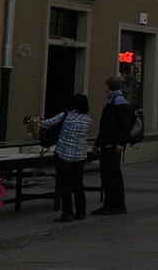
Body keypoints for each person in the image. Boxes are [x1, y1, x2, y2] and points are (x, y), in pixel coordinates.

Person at [40, 93, 91, 222]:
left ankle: (67, 213)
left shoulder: (66, 115)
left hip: (64, 154)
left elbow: (46, 124)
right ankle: (81, 212)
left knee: (65, 184)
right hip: (80, 156)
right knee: (78, 184)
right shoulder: (87, 120)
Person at [92, 76, 134, 215]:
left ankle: (116, 204)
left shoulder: (118, 102)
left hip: (112, 144)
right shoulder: (114, 101)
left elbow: (124, 124)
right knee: (107, 174)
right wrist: (98, 143)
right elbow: (105, 126)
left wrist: (121, 143)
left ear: (108, 86)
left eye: (105, 86)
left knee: (112, 174)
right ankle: (110, 203)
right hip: (108, 143)